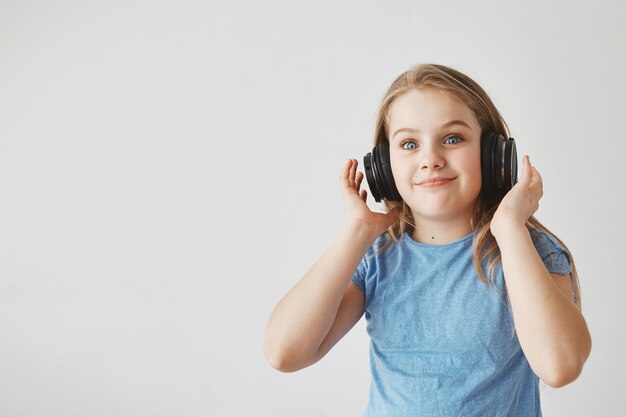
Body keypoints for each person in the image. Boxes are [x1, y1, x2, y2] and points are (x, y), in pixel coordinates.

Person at [263, 63, 592, 416]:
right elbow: (284, 353)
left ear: (492, 153)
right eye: (409, 144)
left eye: (452, 139)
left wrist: (511, 227)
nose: (430, 159)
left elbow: (560, 366)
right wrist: (357, 232)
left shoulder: (525, 252)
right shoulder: (378, 256)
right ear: (385, 169)